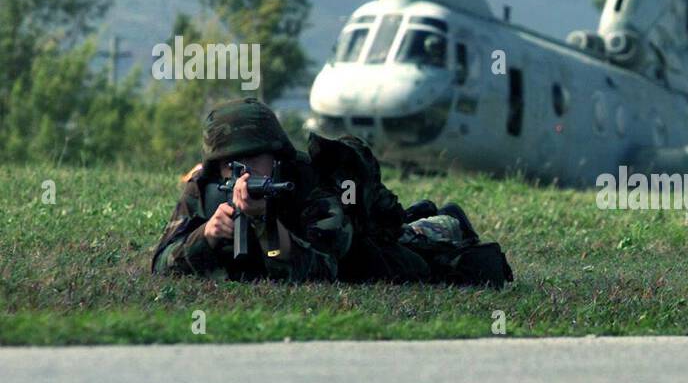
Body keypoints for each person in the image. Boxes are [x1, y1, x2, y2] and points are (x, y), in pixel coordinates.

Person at [151, 98, 512, 286]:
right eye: (232, 164)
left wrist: (264, 223)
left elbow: (323, 270)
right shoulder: (204, 189)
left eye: (252, 159)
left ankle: (445, 221)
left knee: (403, 252)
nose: (243, 173)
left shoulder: (311, 184)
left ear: (276, 156)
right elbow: (161, 264)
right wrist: (206, 236)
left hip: (356, 244)